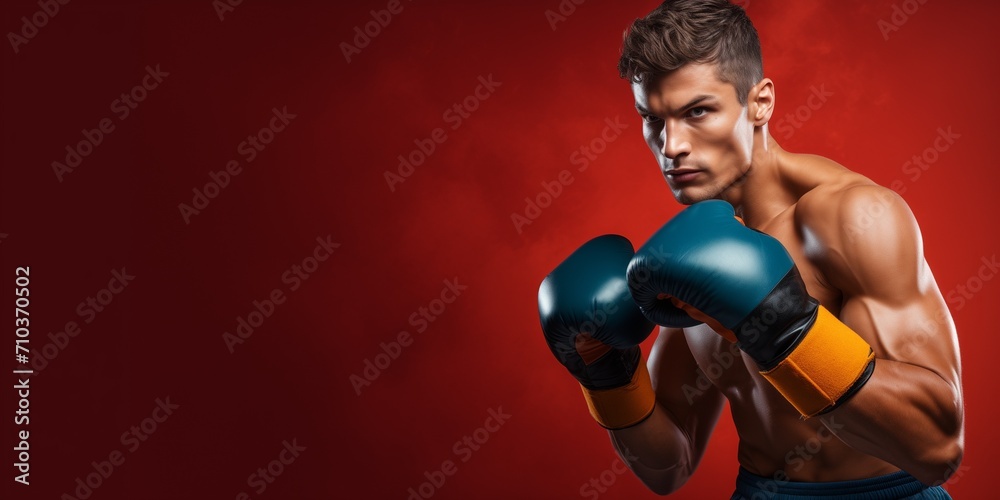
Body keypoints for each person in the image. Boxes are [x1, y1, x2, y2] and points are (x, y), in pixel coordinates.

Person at [537, 1, 964, 498]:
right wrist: (605, 373)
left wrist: (787, 329)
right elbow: (668, 465)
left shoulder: (851, 218)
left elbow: (937, 451)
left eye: (697, 111)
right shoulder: (687, 259)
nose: (671, 144)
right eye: (652, 119)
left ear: (759, 103)